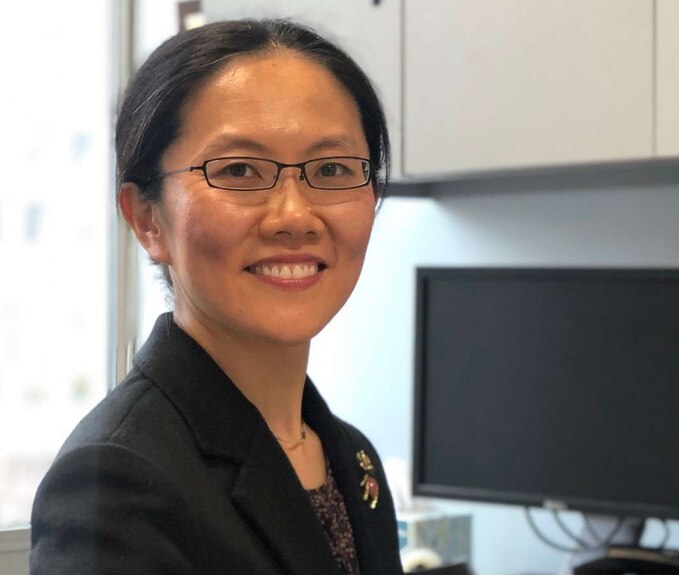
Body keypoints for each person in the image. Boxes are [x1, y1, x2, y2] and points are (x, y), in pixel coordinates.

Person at [30, 19, 402, 575]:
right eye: (239, 170)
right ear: (148, 219)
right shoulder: (118, 478)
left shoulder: (351, 456)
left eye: (330, 168)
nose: (295, 216)